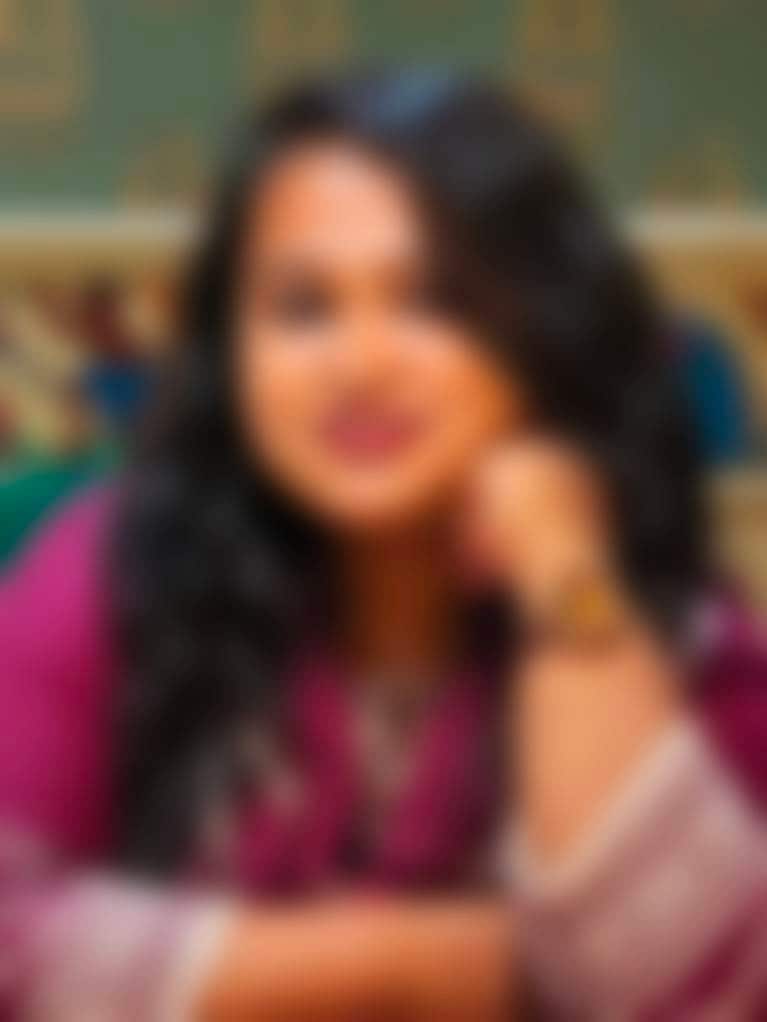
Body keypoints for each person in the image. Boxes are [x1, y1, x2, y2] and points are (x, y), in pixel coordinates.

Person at [2, 69, 766, 1020]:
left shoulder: (666, 613)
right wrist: (420, 963)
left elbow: (700, 994)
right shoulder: (119, 562)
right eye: (303, 308)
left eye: (435, 302)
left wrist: (563, 572)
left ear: (546, 334)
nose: (360, 364)